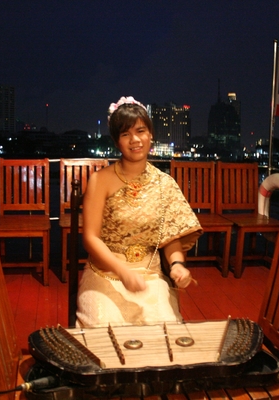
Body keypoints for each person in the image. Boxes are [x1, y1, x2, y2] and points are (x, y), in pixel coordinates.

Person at [76, 96, 203, 328]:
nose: (135, 140)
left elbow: (170, 237)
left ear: (150, 135)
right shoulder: (100, 181)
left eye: (141, 131)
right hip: (104, 273)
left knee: (162, 331)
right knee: (105, 330)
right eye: (125, 134)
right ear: (117, 141)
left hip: (150, 276)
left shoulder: (165, 183)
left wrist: (177, 265)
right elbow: (90, 238)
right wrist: (123, 272)